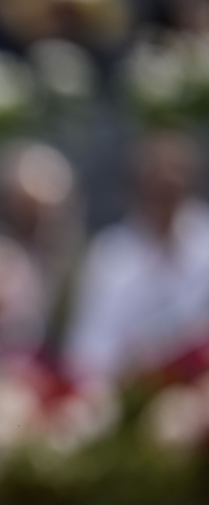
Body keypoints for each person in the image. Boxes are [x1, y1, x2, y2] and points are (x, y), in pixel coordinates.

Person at [64, 129, 209, 388]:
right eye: (156, 183)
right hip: (134, 396)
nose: (167, 185)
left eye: (175, 180)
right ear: (136, 188)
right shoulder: (109, 257)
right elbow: (87, 353)